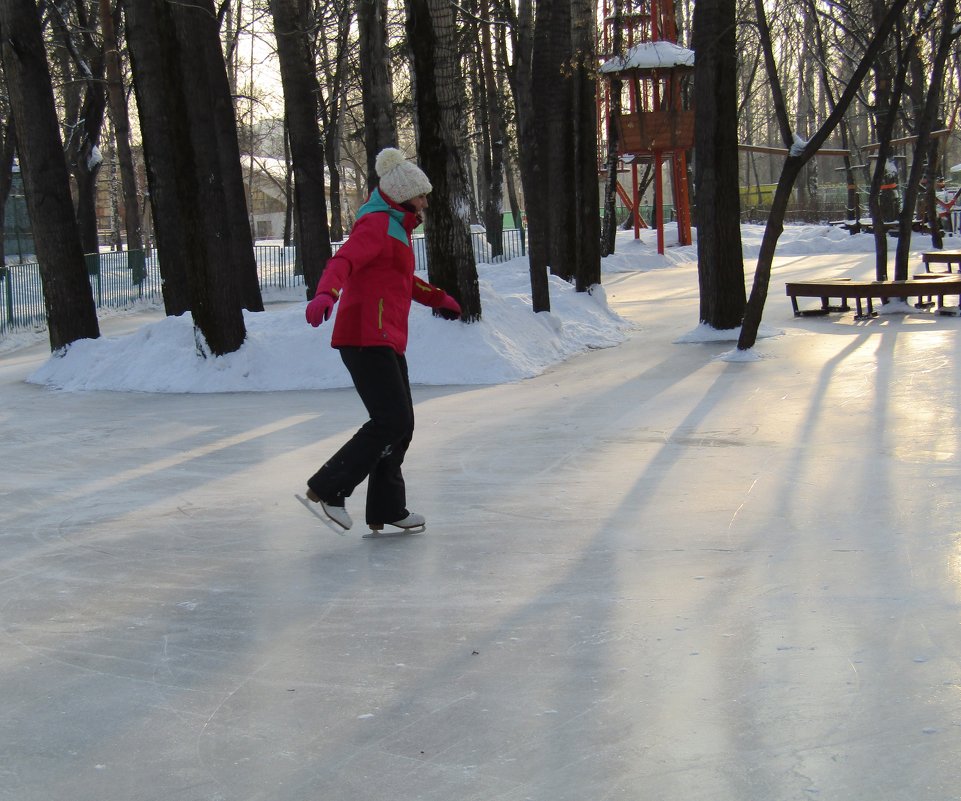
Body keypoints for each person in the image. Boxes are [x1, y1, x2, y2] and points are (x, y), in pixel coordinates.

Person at [303, 147, 462, 534]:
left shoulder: (398, 229)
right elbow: (342, 262)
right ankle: (329, 488)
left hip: (386, 337)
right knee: (390, 419)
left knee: (401, 424)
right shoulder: (375, 224)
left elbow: (402, 279)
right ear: (402, 194)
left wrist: (437, 297)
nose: (425, 202)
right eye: (421, 195)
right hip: (363, 335)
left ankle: (388, 507)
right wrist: (327, 294)